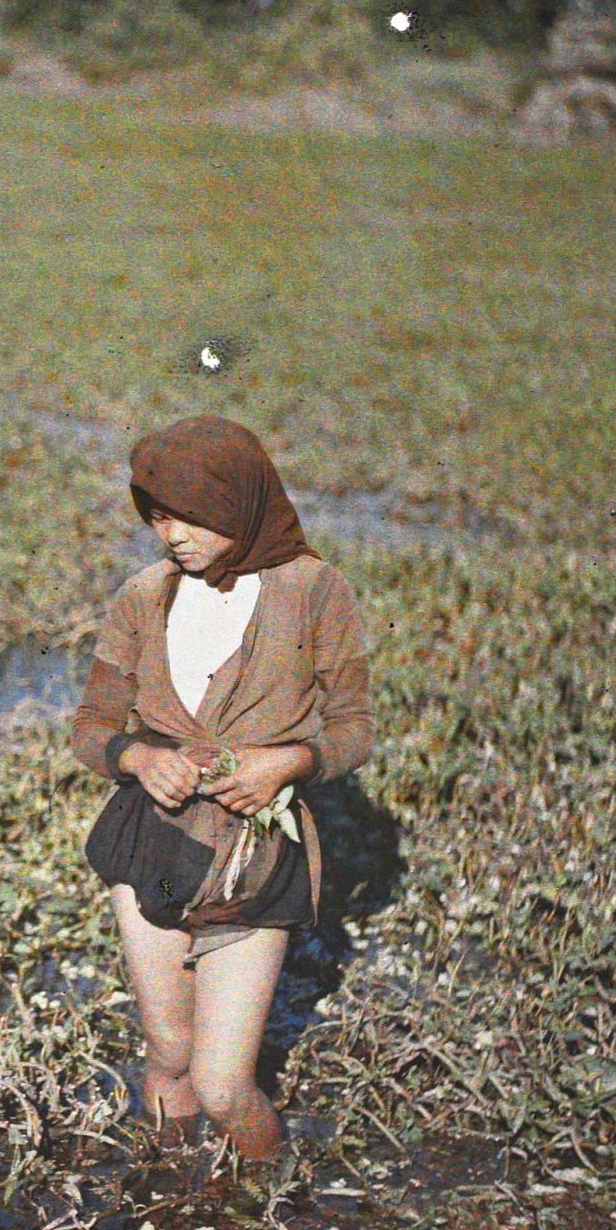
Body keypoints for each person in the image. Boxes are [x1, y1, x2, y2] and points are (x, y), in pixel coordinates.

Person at [70, 416, 374, 1160]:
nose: (173, 533)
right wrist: (138, 759)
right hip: (153, 839)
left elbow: (356, 728)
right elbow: (91, 726)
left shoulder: (313, 591)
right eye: (159, 514)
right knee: (169, 1055)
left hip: (255, 853)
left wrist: (288, 762)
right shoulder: (145, 595)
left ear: (242, 504)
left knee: (222, 1084)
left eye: (193, 515)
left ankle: (258, 1219)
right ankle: (172, 1207)